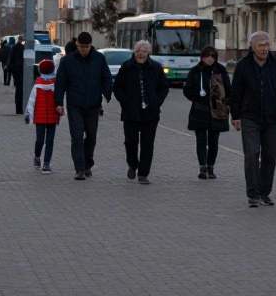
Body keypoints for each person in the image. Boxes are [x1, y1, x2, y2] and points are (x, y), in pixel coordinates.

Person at [229, 31, 276, 208]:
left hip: (273, 118)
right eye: (260, 45)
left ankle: (265, 193)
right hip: (250, 117)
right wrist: (235, 115)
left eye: (266, 45)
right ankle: (253, 193)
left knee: (270, 156)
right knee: (252, 154)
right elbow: (235, 93)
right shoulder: (243, 66)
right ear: (252, 47)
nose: (264, 49)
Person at [54, 32, 113, 180]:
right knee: (77, 136)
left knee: (91, 136)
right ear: (77, 45)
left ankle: (88, 164)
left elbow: (106, 78)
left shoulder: (99, 59)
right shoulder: (68, 61)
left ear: (91, 46)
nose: (83, 50)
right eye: (81, 46)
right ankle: (79, 168)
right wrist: (59, 103)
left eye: (86, 47)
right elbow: (60, 83)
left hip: (93, 104)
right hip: (75, 104)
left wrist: (106, 94)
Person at [112, 40, 169, 185]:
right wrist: (126, 102)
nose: (140, 53)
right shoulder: (127, 66)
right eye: (137, 50)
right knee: (130, 142)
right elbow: (117, 87)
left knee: (147, 144)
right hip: (131, 113)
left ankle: (143, 174)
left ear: (148, 52)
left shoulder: (155, 67)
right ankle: (132, 164)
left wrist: (156, 102)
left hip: (150, 113)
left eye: (143, 51)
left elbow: (163, 88)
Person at [183, 45, 230, 180]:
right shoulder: (196, 71)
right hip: (200, 111)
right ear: (202, 57)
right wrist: (197, 97)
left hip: (217, 111)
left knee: (214, 141)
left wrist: (226, 102)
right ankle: (202, 167)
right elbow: (187, 89)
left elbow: (229, 89)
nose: (209, 59)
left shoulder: (221, 71)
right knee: (201, 140)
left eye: (212, 56)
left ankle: (211, 167)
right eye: (206, 56)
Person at [24, 59, 59, 174]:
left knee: (40, 139)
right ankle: (46, 163)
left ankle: (39, 158)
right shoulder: (56, 84)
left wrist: (28, 114)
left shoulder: (37, 85)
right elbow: (60, 101)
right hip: (52, 117)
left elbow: (31, 101)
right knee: (49, 140)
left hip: (39, 117)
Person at [7, 36, 26, 114]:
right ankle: (22, 108)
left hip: (17, 72)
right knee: (22, 91)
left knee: (18, 91)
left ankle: (19, 109)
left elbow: (10, 61)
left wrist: (11, 70)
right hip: (23, 72)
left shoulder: (14, 48)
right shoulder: (24, 49)